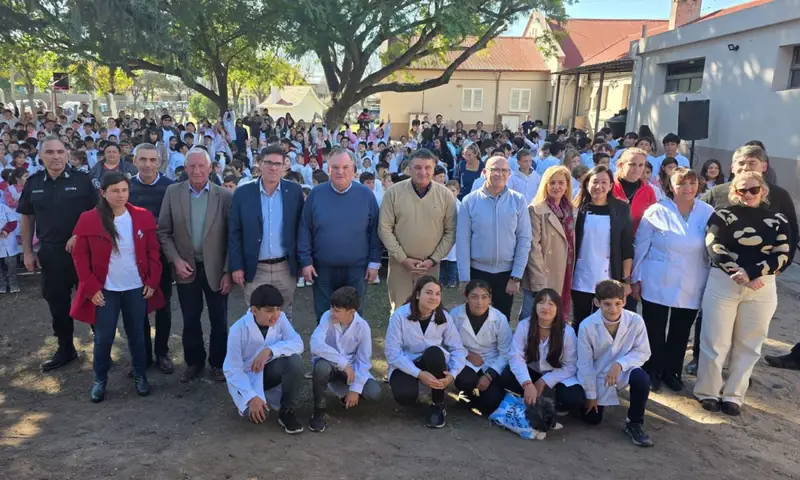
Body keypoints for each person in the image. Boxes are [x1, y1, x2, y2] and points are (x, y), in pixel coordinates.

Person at [686, 144, 798, 375]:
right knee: (710, 322)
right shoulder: (717, 193)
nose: (746, 167)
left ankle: (739, 373)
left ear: (764, 167)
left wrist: (777, 268)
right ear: (732, 167)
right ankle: (701, 360)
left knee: (748, 328)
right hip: (720, 272)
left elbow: (790, 235)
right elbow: (701, 228)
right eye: (741, 163)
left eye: (752, 163)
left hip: (761, 277)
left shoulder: (779, 196)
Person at [694, 172, 791, 416]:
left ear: (763, 190)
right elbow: (713, 245)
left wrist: (752, 272)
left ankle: (734, 395)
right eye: (741, 190)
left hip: (761, 285)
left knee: (750, 343)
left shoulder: (777, 219)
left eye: (753, 189)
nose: (747, 194)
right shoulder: (723, 215)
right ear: (733, 192)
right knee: (715, 340)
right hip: (724, 282)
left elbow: (783, 253)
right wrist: (737, 272)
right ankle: (708, 391)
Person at [69, 172, 164, 402]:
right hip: (105, 290)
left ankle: (140, 375)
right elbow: (80, 256)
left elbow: (153, 251)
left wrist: (152, 281)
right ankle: (100, 380)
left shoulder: (142, 216)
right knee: (103, 337)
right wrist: (91, 288)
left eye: (124, 190)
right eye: (114, 190)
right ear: (103, 193)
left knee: (137, 335)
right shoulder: (89, 218)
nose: (120, 195)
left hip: (135, 287)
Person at [17, 137, 96, 371]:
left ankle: (101, 346)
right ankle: (65, 348)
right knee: (57, 303)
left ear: (67, 154)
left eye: (60, 151)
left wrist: (80, 235)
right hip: (51, 253)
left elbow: (98, 213)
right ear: (40, 156)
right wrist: (28, 252)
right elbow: (26, 217)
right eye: (50, 152)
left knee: (93, 299)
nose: (56, 156)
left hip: (83, 251)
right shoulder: (33, 183)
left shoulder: (83, 181)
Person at [631, 168, 713, 392]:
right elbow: (640, 246)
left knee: (680, 330)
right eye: (681, 184)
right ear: (670, 186)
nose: (687, 188)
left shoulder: (707, 212)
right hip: (657, 278)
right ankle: (653, 369)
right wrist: (635, 278)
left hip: (692, 280)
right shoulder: (656, 211)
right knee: (654, 328)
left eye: (692, 183)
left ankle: (672, 371)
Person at [157, 148, 233, 382]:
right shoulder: (173, 192)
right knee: (190, 319)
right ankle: (194, 362)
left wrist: (228, 271)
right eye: (192, 166)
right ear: (185, 168)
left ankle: (218, 363)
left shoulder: (225, 196)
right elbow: (163, 232)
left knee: (219, 320)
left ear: (210, 168)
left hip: (216, 270)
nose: (197, 170)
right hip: (185, 268)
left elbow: (233, 237)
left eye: (202, 166)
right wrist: (176, 261)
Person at [298, 147, 381, 321]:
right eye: (335, 167)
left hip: (356, 269)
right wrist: (306, 261)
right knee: (324, 316)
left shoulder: (366, 195)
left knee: (354, 315)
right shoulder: (316, 194)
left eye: (345, 167)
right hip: (323, 268)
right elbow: (305, 229)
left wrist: (374, 263)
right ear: (328, 169)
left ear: (354, 169)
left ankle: (352, 348)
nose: (340, 172)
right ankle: (325, 348)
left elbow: (374, 231)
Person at [229, 146, 304, 320]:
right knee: (256, 318)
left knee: (284, 317)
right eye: (269, 163)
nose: (273, 168)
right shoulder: (243, 193)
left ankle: (283, 348)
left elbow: (301, 228)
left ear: (285, 166)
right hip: (255, 269)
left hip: (285, 268)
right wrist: (237, 266)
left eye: (278, 164)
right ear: (260, 164)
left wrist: (302, 261)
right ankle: (259, 348)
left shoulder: (294, 192)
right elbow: (235, 232)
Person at [378, 149, 457, 312]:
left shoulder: (445, 195)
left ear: (434, 169)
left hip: (430, 267)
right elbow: (384, 228)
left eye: (428, 167)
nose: (423, 172)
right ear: (409, 168)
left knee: (428, 311)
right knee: (400, 312)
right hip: (400, 266)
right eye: (418, 167)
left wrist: (433, 259)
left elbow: (451, 232)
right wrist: (402, 258)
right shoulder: (393, 193)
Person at [577, 279, 653, 447]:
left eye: (618, 303)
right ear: (597, 302)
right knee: (593, 419)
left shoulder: (636, 321)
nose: (613, 309)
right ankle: (581, 401)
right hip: (598, 374)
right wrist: (591, 395)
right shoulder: (587, 326)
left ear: (625, 301)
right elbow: (584, 364)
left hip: (624, 370)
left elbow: (643, 351)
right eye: (607, 304)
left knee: (641, 379)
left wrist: (619, 364)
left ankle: (634, 422)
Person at [385, 276, 467, 428]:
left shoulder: (445, 317)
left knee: (435, 353)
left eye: (437, 293)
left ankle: (438, 404)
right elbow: (392, 353)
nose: (433, 297)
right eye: (428, 292)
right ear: (417, 295)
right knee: (405, 396)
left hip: (431, 362)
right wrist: (419, 374)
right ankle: (416, 390)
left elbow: (458, 349)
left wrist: (453, 374)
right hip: (405, 364)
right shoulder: (399, 316)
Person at [222, 284, 305, 434]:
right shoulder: (237, 330)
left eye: (278, 309)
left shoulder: (281, 319)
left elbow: (298, 344)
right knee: (259, 417)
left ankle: (287, 411)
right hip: (247, 377)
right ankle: (256, 398)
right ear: (254, 310)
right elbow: (231, 369)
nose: (275, 315)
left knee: (295, 362)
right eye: (269, 310)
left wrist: (270, 350)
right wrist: (251, 396)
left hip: (270, 370)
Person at [457, 156, 531, 319]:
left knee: (502, 321)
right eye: (495, 169)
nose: (500, 174)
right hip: (478, 271)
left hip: (506, 274)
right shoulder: (469, 201)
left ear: (509, 173)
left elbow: (524, 239)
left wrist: (516, 276)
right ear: (484, 172)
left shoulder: (518, 201)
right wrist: (464, 279)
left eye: (504, 170)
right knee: (475, 318)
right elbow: (462, 242)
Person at [128, 143, 177, 373]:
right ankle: (143, 355)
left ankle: (162, 352)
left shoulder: (171, 187)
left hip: (162, 258)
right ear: (134, 160)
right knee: (137, 309)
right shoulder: (125, 187)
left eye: (152, 160)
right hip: (132, 260)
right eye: (143, 159)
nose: (148, 164)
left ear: (159, 162)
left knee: (163, 306)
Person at [309, 286, 382, 432]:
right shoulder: (326, 317)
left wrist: (355, 389)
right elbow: (315, 344)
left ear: (351, 311)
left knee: (374, 392)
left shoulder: (363, 327)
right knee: (321, 368)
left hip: (352, 368)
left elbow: (364, 360)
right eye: (332, 308)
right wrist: (343, 363)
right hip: (329, 363)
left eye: (337, 310)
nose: (332, 313)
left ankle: (345, 392)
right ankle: (318, 410)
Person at [502, 289, 585, 413]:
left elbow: (570, 366)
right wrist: (527, 383)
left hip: (556, 372)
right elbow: (516, 356)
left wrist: (543, 381)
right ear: (535, 305)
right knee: (506, 376)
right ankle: (528, 396)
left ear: (558, 308)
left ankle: (551, 406)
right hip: (532, 370)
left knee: (574, 397)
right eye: (541, 302)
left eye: (551, 304)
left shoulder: (567, 332)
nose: (545, 307)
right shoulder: (524, 326)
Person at [571, 165, 634, 329]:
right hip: (581, 277)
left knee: (607, 323)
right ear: (586, 184)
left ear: (611, 185)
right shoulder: (577, 209)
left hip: (609, 275)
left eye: (604, 182)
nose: (599, 186)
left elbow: (627, 246)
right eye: (595, 182)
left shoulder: (621, 209)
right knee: (581, 321)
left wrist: (626, 280)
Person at [449, 280, 512, 415]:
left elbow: (506, 352)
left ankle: (485, 395)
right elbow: (448, 343)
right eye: (474, 297)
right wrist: (466, 354)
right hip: (465, 360)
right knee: (465, 380)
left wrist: (489, 376)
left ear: (490, 298)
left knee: (490, 404)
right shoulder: (455, 315)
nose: (480, 302)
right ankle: (467, 392)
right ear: (466, 297)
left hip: (491, 361)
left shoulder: (500, 319)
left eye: (484, 297)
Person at [520, 166, 575, 321]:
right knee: (531, 319)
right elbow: (533, 248)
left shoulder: (571, 211)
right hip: (541, 274)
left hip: (562, 273)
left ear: (567, 186)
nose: (556, 187)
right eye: (552, 183)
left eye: (561, 183)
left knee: (554, 320)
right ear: (545, 185)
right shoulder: (536, 210)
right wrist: (539, 281)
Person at [612, 148, 656, 235]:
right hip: (611, 241)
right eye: (632, 164)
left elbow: (654, 220)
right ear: (621, 165)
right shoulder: (609, 187)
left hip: (639, 242)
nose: (637, 169)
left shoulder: (649, 190)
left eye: (641, 165)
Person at [0, 202, 19, 293]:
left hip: (7, 240)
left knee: (11, 264)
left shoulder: (4, 208)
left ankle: (13, 284)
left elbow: (13, 222)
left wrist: (5, 231)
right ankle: (2, 285)